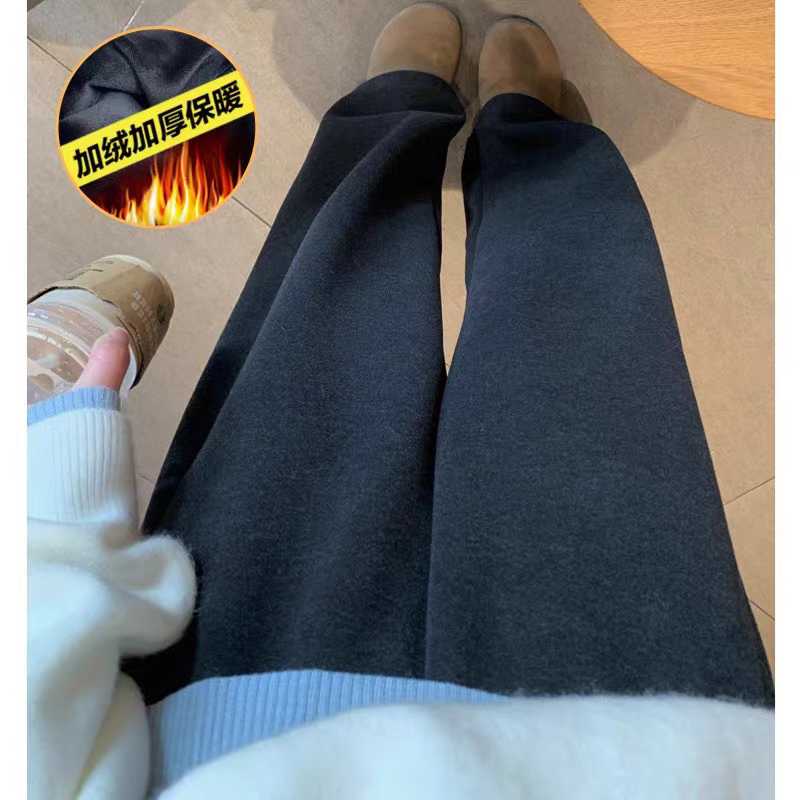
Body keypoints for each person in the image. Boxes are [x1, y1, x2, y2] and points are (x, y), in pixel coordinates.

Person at [28, 6, 774, 798]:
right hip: (646, 745)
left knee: (331, 300)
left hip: (218, 709)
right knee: (578, 328)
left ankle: (398, 110)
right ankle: (528, 133)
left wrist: (56, 545)